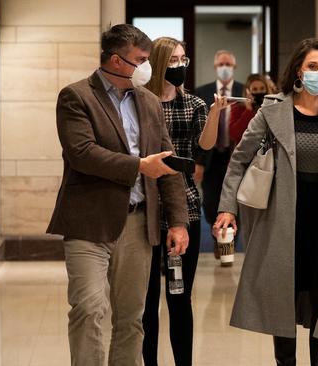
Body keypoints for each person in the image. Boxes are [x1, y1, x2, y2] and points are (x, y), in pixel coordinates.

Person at [212, 38, 318, 366]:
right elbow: (239, 159)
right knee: (283, 298)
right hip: (283, 218)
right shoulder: (275, 108)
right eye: (312, 66)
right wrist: (227, 206)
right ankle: (285, 362)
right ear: (298, 71)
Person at [47, 24, 190, 366]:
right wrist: (140, 165)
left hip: (139, 223)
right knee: (89, 309)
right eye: (141, 60)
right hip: (89, 224)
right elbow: (82, 153)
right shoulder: (76, 96)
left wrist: (179, 222)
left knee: (131, 317)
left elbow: (166, 164)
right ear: (116, 60)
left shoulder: (150, 102)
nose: (148, 68)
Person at [141, 36, 229, 366]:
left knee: (179, 296)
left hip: (186, 204)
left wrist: (216, 114)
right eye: (174, 60)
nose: (179, 66)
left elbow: (202, 144)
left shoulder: (193, 103)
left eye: (183, 60)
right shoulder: (141, 102)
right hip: (148, 205)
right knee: (148, 299)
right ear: (159, 64)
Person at [194, 51, 245, 264]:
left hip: (237, 156)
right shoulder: (202, 92)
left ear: (234, 66)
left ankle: (229, 244)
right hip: (212, 158)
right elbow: (197, 130)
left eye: (228, 64)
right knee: (211, 202)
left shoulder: (243, 91)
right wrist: (198, 161)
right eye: (221, 63)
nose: (225, 67)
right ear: (215, 66)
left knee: (237, 200)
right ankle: (218, 239)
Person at [229, 73, 277, 146]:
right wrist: (248, 111)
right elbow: (233, 134)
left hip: (268, 153)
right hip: (244, 152)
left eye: (262, 88)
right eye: (254, 89)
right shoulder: (238, 107)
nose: (258, 92)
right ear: (248, 91)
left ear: (266, 89)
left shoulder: (273, 106)